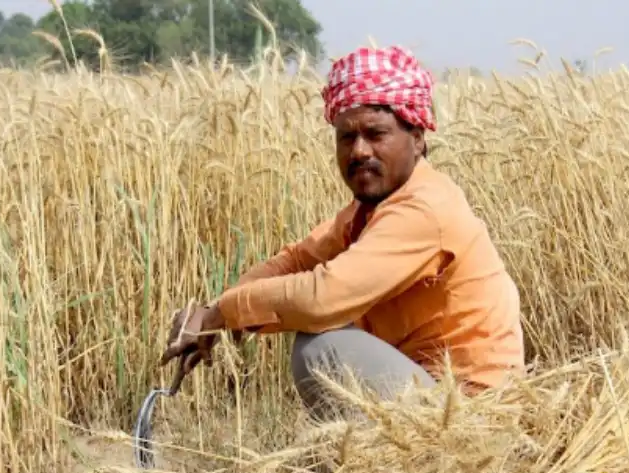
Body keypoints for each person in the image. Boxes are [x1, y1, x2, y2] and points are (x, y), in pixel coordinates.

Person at [160, 45, 525, 420]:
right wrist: (210, 314)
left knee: (322, 348)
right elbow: (296, 260)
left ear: (417, 138)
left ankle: (396, 469)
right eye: (346, 137)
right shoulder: (370, 210)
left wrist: (224, 312)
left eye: (375, 133)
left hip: (471, 413)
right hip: (432, 396)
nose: (359, 151)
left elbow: (322, 298)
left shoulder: (424, 209)